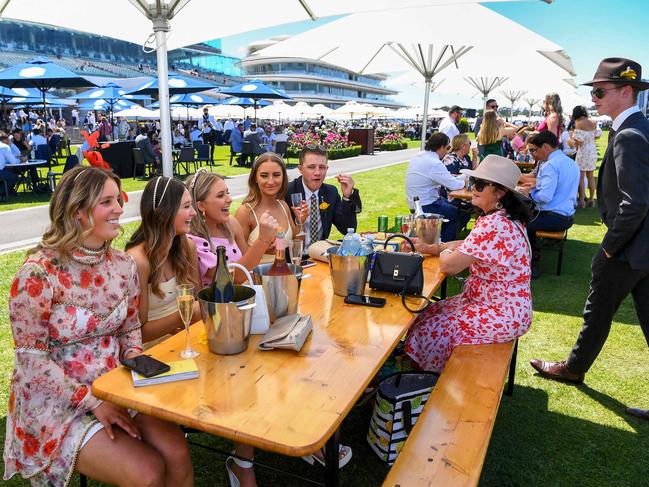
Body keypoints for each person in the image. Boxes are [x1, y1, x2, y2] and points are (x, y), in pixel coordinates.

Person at [3, 166, 193, 487]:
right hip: (57, 405)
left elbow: (130, 331)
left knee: (177, 454)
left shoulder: (123, 266)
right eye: (107, 202)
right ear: (78, 211)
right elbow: (31, 362)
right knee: (146, 472)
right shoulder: (37, 274)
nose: (120, 208)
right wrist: (94, 402)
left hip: (117, 388)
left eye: (118, 199)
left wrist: (140, 366)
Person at [530, 58, 649, 384]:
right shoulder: (638, 127)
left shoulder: (629, 135)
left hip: (629, 246)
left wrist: (610, 247)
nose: (593, 98)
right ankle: (574, 367)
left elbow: (635, 202)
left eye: (599, 91)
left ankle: (572, 368)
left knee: (597, 312)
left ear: (627, 91)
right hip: (642, 245)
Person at [404, 155, 533, 372]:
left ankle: (426, 379)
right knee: (429, 313)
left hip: (500, 311)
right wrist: (433, 248)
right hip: (497, 304)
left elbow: (449, 266)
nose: (473, 188)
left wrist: (444, 252)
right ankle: (420, 370)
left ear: (500, 192)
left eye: (480, 184)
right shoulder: (502, 218)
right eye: (474, 182)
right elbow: (468, 243)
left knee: (436, 327)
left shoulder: (495, 223)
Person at [125, 176, 202, 343]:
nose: (194, 213)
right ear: (164, 213)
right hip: (154, 352)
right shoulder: (138, 260)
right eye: (186, 206)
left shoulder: (187, 247)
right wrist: (184, 313)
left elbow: (198, 302)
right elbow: (138, 333)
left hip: (187, 340)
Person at [187, 169, 280, 286]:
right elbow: (232, 278)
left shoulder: (231, 223)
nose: (230, 199)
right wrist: (262, 241)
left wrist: (266, 246)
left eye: (228, 193)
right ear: (201, 206)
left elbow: (250, 265)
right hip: (218, 302)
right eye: (220, 195)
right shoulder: (193, 240)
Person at [519, 130, 579, 278]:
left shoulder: (550, 165)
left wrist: (529, 193)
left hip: (554, 217)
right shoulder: (571, 162)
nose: (532, 154)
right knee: (525, 218)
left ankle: (532, 262)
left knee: (520, 222)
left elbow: (545, 197)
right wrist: (535, 188)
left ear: (545, 147)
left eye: (533, 150)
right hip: (567, 216)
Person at [284, 144, 362, 249]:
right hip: (292, 257)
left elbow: (347, 229)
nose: (318, 172)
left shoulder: (330, 192)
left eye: (322, 167)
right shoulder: (287, 192)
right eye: (311, 167)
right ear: (300, 169)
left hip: (319, 255)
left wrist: (347, 197)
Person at [235, 152, 308, 263]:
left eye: (276, 175)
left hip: (283, 274)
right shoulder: (246, 212)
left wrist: (300, 222)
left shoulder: (283, 206)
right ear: (255, 178)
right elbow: (236, 258)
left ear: (283, 177)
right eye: (264, 175)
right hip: (255, 277)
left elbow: (296, 245)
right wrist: (261, 248)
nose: (270, 181)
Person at [405, 132, 466, 242]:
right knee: (460, 215)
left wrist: (461, 177)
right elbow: (454, 185)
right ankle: (442, 245)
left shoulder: (418, 156)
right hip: (427, 205)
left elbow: (446, 179)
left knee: (451, 207)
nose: (448, 151)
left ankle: (437, 237)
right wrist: (465, 180)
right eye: (448, 148)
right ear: (441, 147)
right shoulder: (434, 163)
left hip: (415, 203)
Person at [569, 105, 599, 208]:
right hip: (593, 151)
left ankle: (581, 200)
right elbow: (598, 135)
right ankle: (591, 199)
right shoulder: (593, 122)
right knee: (590, 176)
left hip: (583, 151)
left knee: (581, 177)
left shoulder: (579, 123)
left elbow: (578, 142)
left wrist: (572, 141)